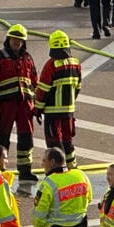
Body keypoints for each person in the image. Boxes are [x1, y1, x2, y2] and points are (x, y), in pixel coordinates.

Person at [0, 24, 38, 182]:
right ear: (9, 39)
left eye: (20, 40)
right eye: (15, 39)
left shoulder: (27, 57)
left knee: (26, 138)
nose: (17, 42)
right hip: (6, 105)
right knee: (2, 138)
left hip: (24, 105)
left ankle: (25, 171)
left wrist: (34, 102)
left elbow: (34, 81)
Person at [33, 31, 81, 170]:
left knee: (55, 144)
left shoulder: (51, 65)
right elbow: (77, 87)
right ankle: (73, 169)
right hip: (69, 112)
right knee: (68, 142)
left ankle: (59, 171)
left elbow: (43, 90)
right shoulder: (76, 63)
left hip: (53, 114)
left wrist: (37, 109)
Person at [32, 147, 91, 227]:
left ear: (52, 162)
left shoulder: (48, 184)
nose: (42, 164)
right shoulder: (81, 176)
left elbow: (39, 216)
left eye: (44, 161)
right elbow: (88, 198)